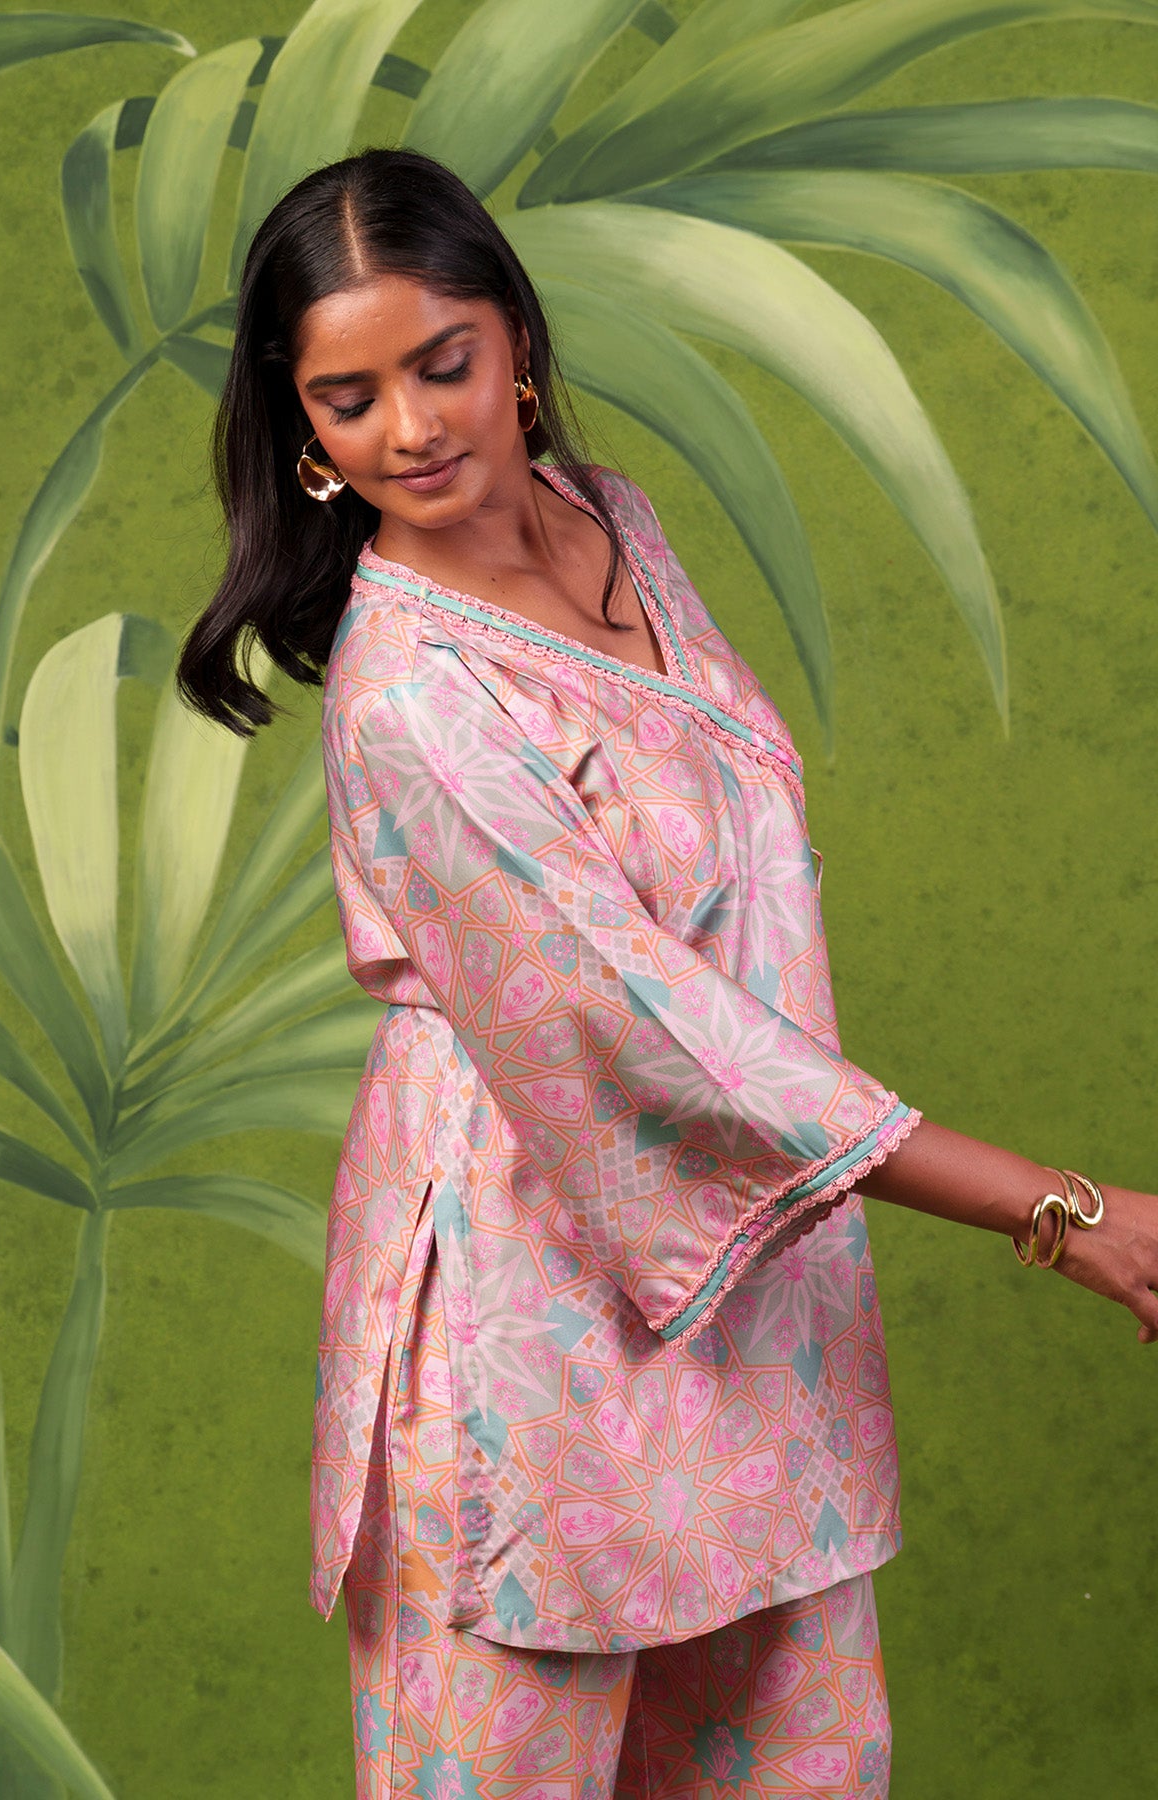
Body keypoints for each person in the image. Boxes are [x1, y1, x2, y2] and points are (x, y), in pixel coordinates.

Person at [176, 148, 1158, 1800]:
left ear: (516, 341)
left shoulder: (608, 514)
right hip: (528, 1312)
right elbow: (653, 1029)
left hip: (756, 1287)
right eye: (348, 398)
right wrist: (1058, 1211)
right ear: (303, 431)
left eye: (442, 363)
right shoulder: (412, 697)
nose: (411, 428)